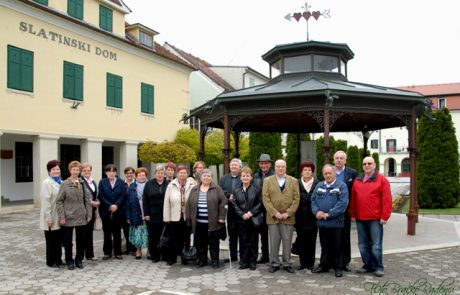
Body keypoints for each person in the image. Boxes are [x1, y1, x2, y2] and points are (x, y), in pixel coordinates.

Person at [350, 157, 392, 277]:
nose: (367, 165)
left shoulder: (382, 180)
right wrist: (352, 213)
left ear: (374, 165)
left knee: (376, 245)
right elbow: (353, 199)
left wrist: (385, 216)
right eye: (364, 163)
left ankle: (378, 266)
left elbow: (387, 200)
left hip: (375, 218)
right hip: (360, 218)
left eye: (369, 163)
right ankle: (367, 265)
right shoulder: (357, 180)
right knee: (362, 245)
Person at [311, 164, 349, 278]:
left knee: (337, 245)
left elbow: (342, 203)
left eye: (330, 173)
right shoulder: (319, 185)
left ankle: (338, 267)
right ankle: (324, 265)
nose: (328, 175)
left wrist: (329, 214)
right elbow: (313, 200)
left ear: (334, 173)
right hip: (322, 222)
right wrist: (316, 212)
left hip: (336, 222)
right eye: (325, 173)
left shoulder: (341, 186)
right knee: (324, 245)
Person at [262, 159, 299, 274]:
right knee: (273, 241)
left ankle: (287, 263)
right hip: (273, 217)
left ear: (286, 167)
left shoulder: (293, 181)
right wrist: (275, 212)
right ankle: (274, 263)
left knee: (287, 241)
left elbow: (296, 199)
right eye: (278, 166)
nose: (280, 168)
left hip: (288, 217)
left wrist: (288, 213)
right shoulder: (267, 181)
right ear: (275, 167)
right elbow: (265, 198)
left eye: (282, 166)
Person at [186, 169, 227, 268]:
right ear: (201, 177)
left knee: (214, 243)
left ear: (211, 178)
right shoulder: (195, 189)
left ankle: (215, 261)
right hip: (199, 222)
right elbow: (189, 204)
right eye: (204, 176)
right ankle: (202, 260)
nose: (206, 177)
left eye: (208, 176)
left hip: (213, 222)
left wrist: (222, 217)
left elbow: (223, 202)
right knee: (201, 243)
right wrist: (188, 219)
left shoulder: (217, 189)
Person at [56, 161, 92, 270]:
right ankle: (69, 261)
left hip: (81, 216)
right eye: (74, 169)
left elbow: (87, 199)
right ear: (70, 170)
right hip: (68, 216)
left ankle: (79, 260)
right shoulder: (65, 183)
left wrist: (89, 214)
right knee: (68, 241)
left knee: (81, 240)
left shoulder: (82, 182)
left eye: (77, 170)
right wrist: (62, 217)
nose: (76, 171)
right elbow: (59, 201)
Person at [163, 165, 194, 265]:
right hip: (174, 217)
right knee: (173, 238)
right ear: (177, 174)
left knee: (186, 238)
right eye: (180, 172)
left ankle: (185, 257)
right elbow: (166, 202)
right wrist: (166, 217)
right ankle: (171, 258)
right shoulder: (171, 185)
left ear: (187, 174)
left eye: (184, 172)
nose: (182, 174)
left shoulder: (192, 185)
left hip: (187, 217)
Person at [233, 167, 263, 271]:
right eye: (243, 176)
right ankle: (244, 261)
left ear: (251, 177)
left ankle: (253, 262)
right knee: (243, 241)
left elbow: (260, 203)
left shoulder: (256, 189)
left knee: (253, 241)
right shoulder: (236, 191)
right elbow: (234, 204)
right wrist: (242, 214)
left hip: (253, 219)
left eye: (247, 175)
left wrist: (251, 213)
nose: (245, 177)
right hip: (241, 220)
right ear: (240, 178)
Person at [333, 151, 357, 272]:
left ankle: (345, 262)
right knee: (333, 236)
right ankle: (333, 261)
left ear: (345, 161)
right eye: (337, 158)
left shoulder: (352, 173)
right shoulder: (329, 172)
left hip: (346, 211)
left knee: (345, 236)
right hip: (331, 210)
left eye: (341, 158)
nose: (339, 160)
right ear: (334, 160)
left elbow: (355, 192)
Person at [98, 164, 126, 260]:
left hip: (118, 211)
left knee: (117, 232)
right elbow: (101, 196)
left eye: (113, 171)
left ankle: (118, 252)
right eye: (109, 171)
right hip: (105, 211)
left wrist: (116, 205)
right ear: (106, 172)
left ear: (116, 173)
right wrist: (109, 205)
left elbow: (123, 195)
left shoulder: (121, 182)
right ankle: (107, 253)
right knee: (107, 233)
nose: (111, 173)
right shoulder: (102, 182)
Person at [295, 161, 319, 270]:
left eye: (309, 170)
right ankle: (303, 263)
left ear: (312, 172)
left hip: (313, 217)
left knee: (311, 241)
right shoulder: (297, 183)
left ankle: (310, 263)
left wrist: (304, 197)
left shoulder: (318, 183)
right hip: (300, 217)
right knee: (302, 240)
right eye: (305, 170)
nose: (307, 172)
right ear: (302, 172)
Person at [143, 164, 169, 263]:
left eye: (162, 173)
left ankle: (165, 255)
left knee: (165, 236)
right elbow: (145, 200)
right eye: (158, 173)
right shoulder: (149, 184)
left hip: (165, 215)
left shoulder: (168, 184)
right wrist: (146, 214)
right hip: (152, 215)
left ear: (164, 174)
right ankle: (155, 256)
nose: (160, 175)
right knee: (153, 236)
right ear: (155, 174)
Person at [39, 160, 63, 268]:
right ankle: (51, 261)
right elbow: (45, 202)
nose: (56, 171)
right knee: (51, 240)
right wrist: (48, 218)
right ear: (49, 171)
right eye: (53, 169)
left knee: (58, 240)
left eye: (57, 169)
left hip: (59, 216)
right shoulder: (47, 183)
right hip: (50, 216)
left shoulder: (60, 182)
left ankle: (58, 259)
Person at [219, 158, 243, 263]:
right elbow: (220, 192)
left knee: (242, 235)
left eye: (236, 165)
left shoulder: (243, 177)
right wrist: (227, 196)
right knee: (232, 235)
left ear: (240, 167)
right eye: (232, 165)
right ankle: (233, 256)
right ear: (229, 167)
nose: (234, 167)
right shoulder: (223, 178)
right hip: (229, 211)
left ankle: (243, 256)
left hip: (241, 210)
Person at [252, 153, 274, 264]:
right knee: (262, 234)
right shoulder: (255, 176)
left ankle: (274, 257)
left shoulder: (274, 175)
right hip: (259, 210)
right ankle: (264, 256)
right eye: (262, 163)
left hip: (272, 209)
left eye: (266, 163)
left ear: (270, 164)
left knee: (274, 235)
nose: (264, 165)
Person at [125, 167, 149, 260]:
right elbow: (127, 203)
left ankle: (149, 251)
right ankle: (138, 250)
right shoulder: (132, 187)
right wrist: (128, 216)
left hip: (147, 212)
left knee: (148, 233)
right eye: (139, 175)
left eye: (143, 175)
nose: (142, 177)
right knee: (137, 233)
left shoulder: (150, 185)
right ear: (136, 176)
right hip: (135, 212)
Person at [80, 162, 99, 261]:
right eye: (84, 170)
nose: (87, 172)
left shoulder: (93, 181)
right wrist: (90, 202)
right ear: (81, 171)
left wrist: (97, 201)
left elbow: (95, 194)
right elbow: (80, 196)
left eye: (88, 170)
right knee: (83, 234)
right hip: (83, 211)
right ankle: (81, 255)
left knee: (89, 233)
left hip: (92, 211)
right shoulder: (80, 181)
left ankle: (90, 254)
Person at [122, 166, 137, 255]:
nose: (129, 175)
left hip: (133, 210)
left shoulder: (136, 184)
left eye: (131, 173)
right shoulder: (121, 183)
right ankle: (127, 248)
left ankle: (133, 248)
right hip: (123, 210)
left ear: (133, 174)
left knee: (133, 229)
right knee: (126, 230)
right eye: (127, 173)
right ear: (125, 174)